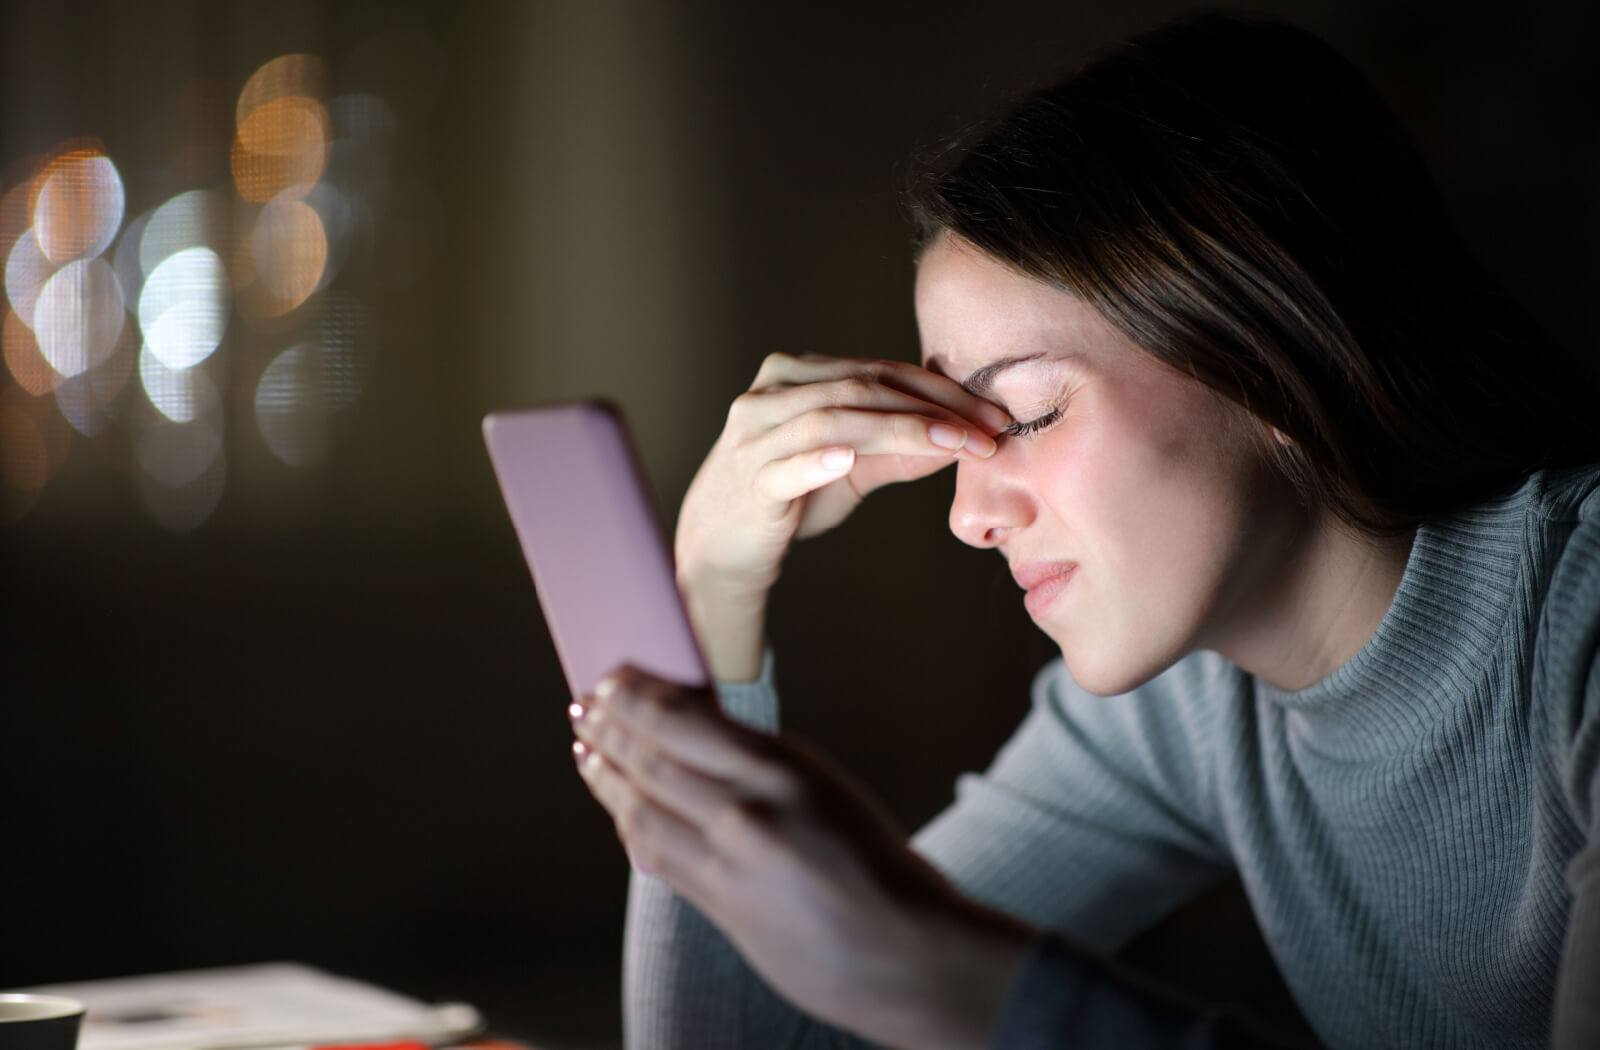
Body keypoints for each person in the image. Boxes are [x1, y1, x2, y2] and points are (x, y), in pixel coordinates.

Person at [566, 13, 1600, 1049]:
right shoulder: (1190, 704)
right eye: (958, 435)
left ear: (1273, 356)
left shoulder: (1579, 626)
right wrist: (706, 598)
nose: (968, 518)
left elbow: (903, 978)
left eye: (1022, 414)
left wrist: (940, 970)